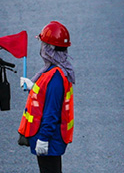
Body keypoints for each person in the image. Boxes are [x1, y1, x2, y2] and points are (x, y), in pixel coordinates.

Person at [18, 21, 74, 173]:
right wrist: (33, 87)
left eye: (43, 45)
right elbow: (45, 94)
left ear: (49, 49)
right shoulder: (52, 71)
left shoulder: (55, 77)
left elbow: (51, 112)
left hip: (50, 139)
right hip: (52, 138)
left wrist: (43, 139)